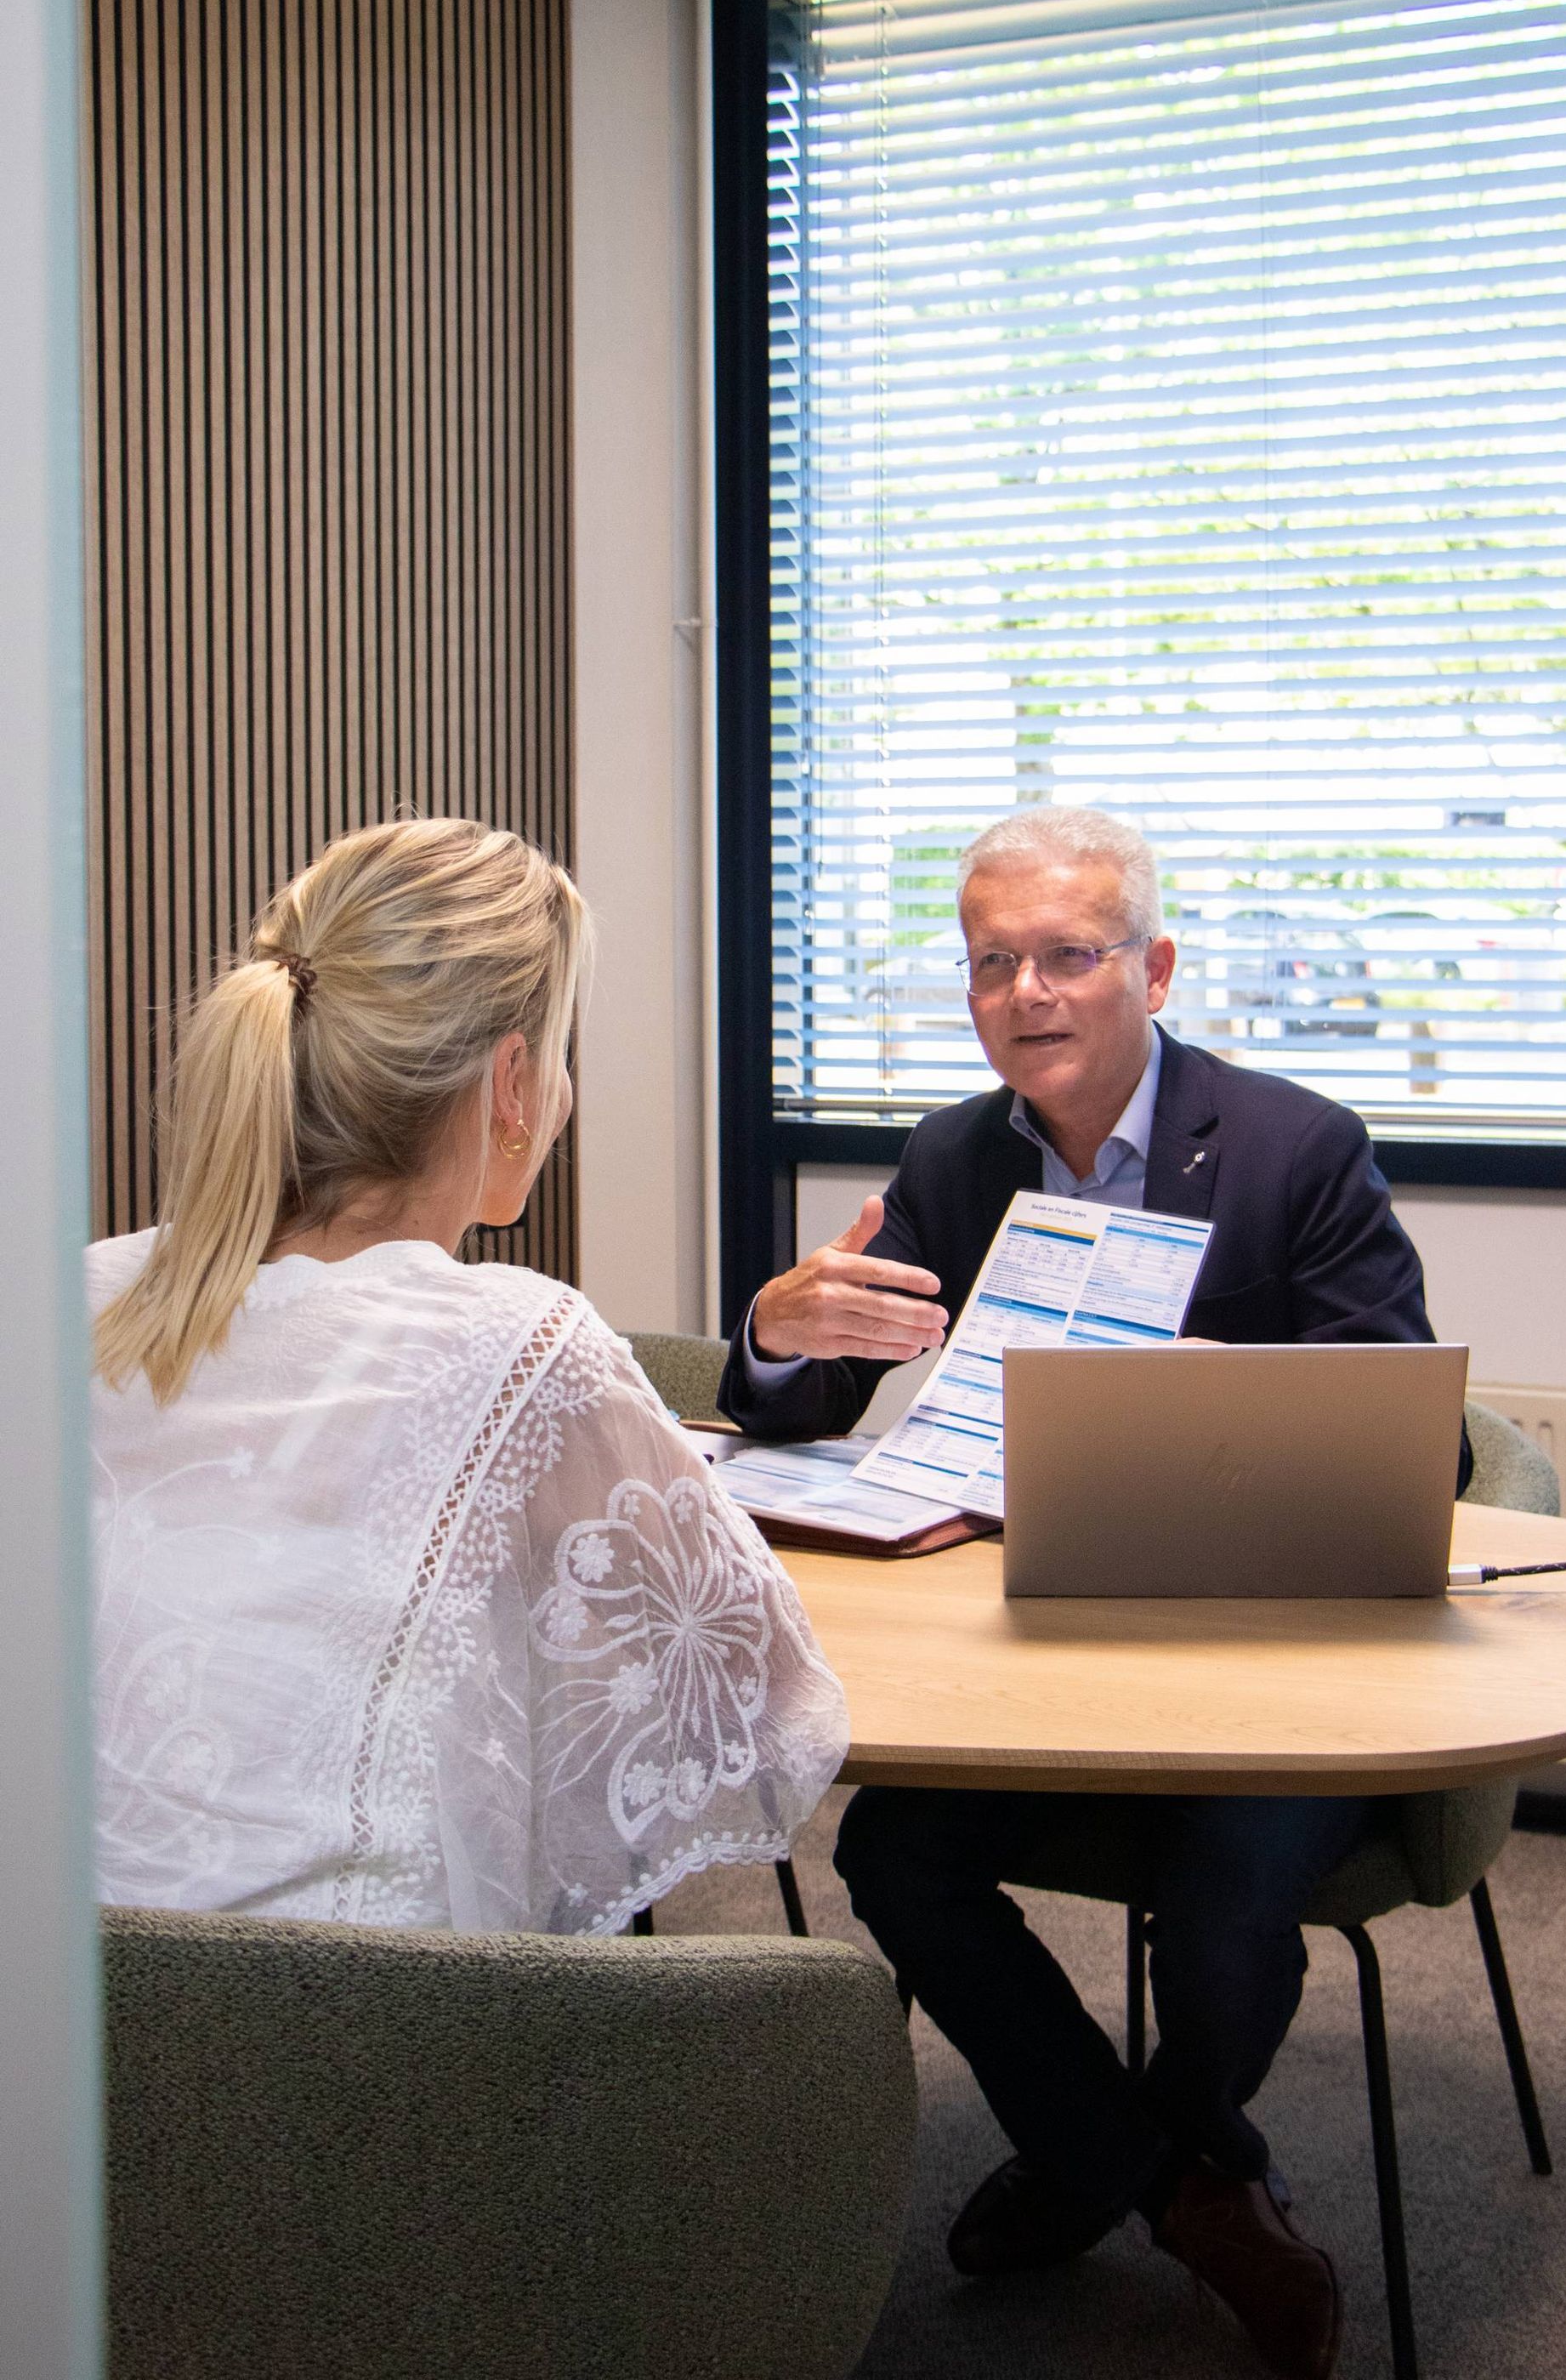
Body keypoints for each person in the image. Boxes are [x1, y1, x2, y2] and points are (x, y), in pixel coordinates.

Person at [721, 805, 1469, 2380]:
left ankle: (1102, 2160)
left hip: (1267, 1653)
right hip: (1035, 1638)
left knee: (1221, 1900)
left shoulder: (1291, 1145)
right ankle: (1181, 2186)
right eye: (995, 964)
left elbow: (1419, 1433)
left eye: (1070, 955)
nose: (1029, 995)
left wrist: (1208, 1403)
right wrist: (784, 1327)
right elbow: (799, 1404)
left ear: (1157, 968)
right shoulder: (952, 1153)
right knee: (894, 1853)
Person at [90, 817, 846, 1936]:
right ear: (513, 1083)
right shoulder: (516, 1345)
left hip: (70, 2022)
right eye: (564, 1053)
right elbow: (767, 1711)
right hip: (383, 2036)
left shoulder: (84, 1289)